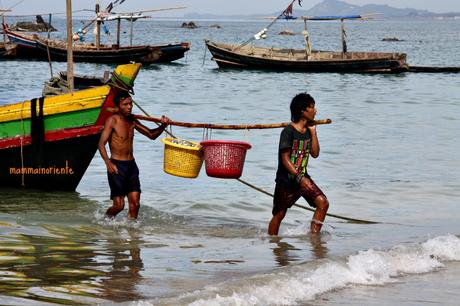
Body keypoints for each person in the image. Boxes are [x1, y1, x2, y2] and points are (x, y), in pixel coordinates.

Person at [98, 91, 170, 219]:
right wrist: (108, 163)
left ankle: (132, 234)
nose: (129, 107)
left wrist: (163, 125)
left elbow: (151, 135)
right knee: (119, 206)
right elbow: (101, 144)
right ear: (119, 106)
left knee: (135, 205)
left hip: (131, 166)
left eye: (130, 103)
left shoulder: (132, 120)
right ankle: (105, 220)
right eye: (125, 104)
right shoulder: (112, 120)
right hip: (116, 166)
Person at [268, 93, 329, 235]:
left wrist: (313, 132)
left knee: (323, 203)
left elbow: (315, 154)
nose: (315, 111)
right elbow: (285, 159)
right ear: (303, 111)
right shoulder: (288, 132)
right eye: (312, 107)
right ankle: (272, 243)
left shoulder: (308, 131)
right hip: (287, 180)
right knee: (279, 214)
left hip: (303, 178)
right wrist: (300, 178)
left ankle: (314, 238)